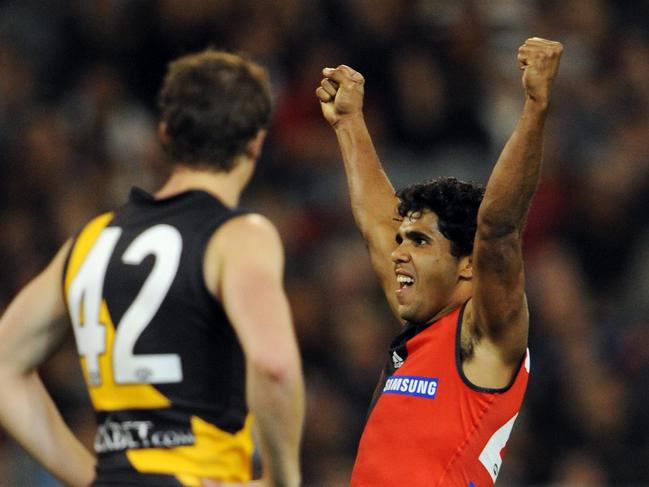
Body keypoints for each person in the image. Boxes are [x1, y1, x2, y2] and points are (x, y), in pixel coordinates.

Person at [0, 49, 304, 487]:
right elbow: (275, 365)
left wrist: (91, 476)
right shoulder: (240, 236)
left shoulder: (90, 241)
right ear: (256, 142)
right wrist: (283, 479)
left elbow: (6, 366)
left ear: (164, 135)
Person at [317, 37, 563, 486]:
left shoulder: (484, 334)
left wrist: (534, 106)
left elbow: (498, 228)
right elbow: (376, 223)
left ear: (467, 265)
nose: (400, 253)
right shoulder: (421, 333)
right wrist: (349, 123)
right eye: (402, 240)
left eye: (420, 242)